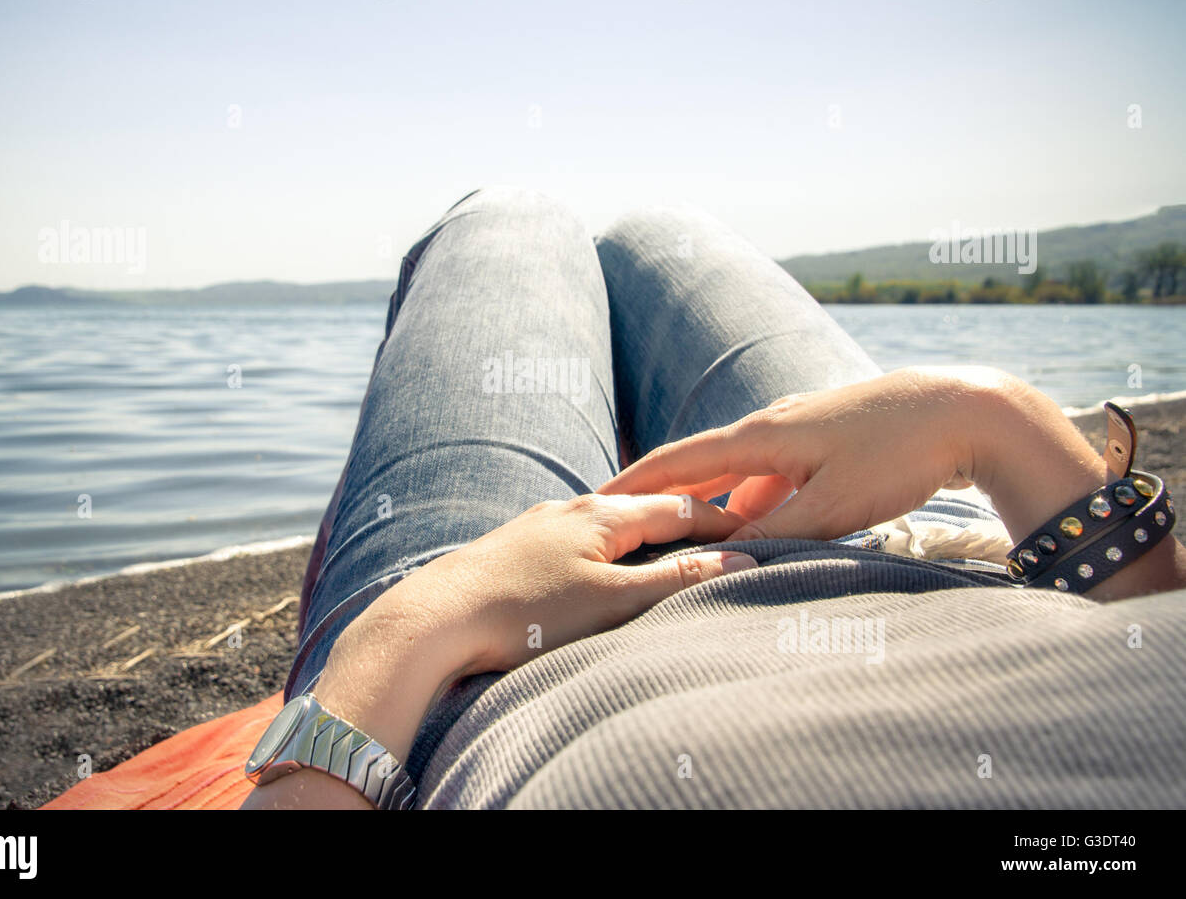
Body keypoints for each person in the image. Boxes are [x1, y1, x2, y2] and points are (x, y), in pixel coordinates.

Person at [242, 187, 1185, 810]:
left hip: (478, 672)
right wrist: (988, 423)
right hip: (952, 548)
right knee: (658, 238)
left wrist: (415, 622)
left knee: (505, 223)